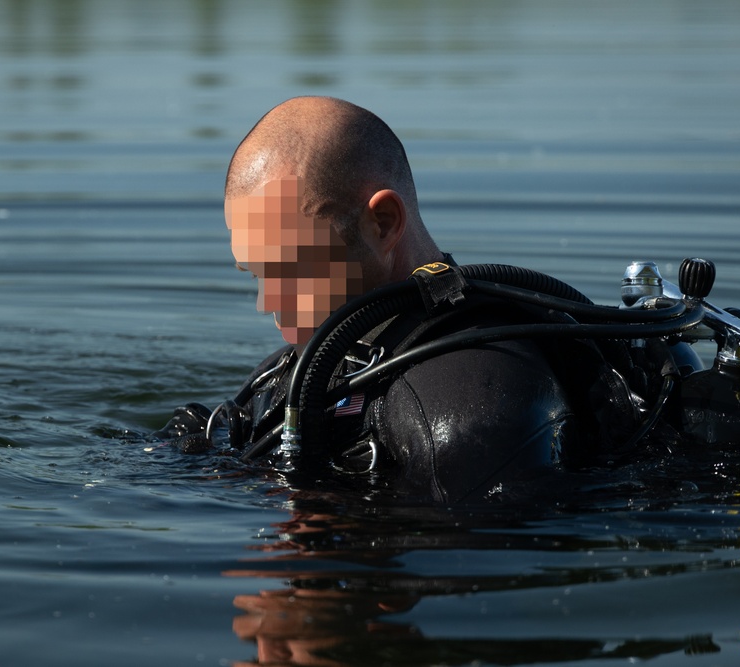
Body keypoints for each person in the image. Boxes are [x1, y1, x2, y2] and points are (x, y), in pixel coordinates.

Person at [154, 96, 645, 504]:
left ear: (384, 224)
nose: (267, 301)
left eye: (290, 267)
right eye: (257, 273)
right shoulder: (315, 363)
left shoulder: (463, 408)